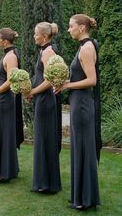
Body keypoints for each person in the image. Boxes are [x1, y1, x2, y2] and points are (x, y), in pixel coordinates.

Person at [57, 14, 101, 210]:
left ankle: (84, 199)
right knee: (79, 148)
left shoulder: (87, 48)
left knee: (83, 148)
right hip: (79, 103)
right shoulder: (84, 46)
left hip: (82, 105)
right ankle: (81, 196)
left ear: (82, 28)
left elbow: (92, 80)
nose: (68, 29)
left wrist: (68, 85)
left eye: (71, 26)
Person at [27, 22, 61, 193]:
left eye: (36, 34)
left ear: (45, 36)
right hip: (42, 99)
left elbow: (49, 81)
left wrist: (32, 91)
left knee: (45, 138)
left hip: (46, 100)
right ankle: (45, 181)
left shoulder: (48, 52)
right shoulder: (44, 50)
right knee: (42, 138)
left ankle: (46, 183)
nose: (34, 36)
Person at [0, 28, 22, 182]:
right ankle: (6, 169)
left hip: (5, 99)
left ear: (5, 41)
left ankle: (5, 172)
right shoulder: (8, 54)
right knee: (2, 132)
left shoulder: (11, 56)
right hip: (2, 98)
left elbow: (10, 81)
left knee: (5, 133)